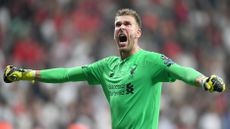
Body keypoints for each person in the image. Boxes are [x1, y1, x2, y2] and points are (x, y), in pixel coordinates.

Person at [3, 8, 226, 129]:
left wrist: (203, 81)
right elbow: (67, 74)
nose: (121, 27)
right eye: (118, 24)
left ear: (138, 33)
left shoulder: (152, 61)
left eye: (127, 24)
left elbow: (181, 71)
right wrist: (27, 74)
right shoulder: (106, 67)